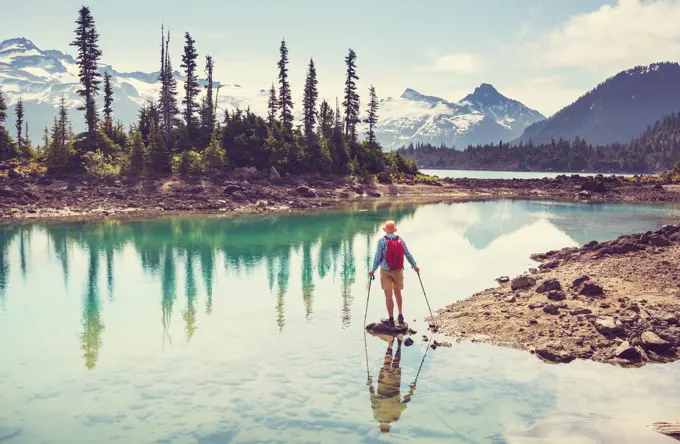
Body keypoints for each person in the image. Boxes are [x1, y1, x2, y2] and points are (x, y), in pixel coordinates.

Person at [368, 220, 419, 327]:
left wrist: (373, 269)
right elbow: (407, 253)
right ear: (394, 229)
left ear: (386, 230)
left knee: (388, 295)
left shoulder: (381, 241)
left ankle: (391, 319)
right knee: (398, 293)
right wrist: (415, 266)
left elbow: (378, 257)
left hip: (386, 271)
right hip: (398, 270)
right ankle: (400, 316)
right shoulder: (400, 240)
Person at [368, 334, 416, 434]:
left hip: (394, 388)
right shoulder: (377, 416)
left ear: (388, 427)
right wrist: (370, 385)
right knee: (386, 364)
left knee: (395, 364)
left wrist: (411, 391)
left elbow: (404, 403)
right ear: (381, 426)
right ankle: (391, 344)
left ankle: (398, 344)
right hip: (383, 387)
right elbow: (373, 400)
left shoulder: (394, 417)